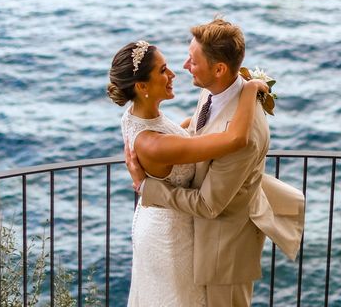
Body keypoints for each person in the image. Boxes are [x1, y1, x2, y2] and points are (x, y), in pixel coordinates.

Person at [126, 18, 305, 307]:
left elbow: (209, 205)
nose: (185, 66)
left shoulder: (243, 135)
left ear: (219, 69)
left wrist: (146, 187)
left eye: (193, 61)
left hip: (224, 249)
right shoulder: (213, 90)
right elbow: (199, 134)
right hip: (192, 237)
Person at [107, 39, 269, 307]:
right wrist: (250, 89)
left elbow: (182, 134)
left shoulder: (136, 116)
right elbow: (236, 139)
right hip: (169, 236)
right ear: (141, 86)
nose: (173, 73)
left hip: (161, 222)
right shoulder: (154, 144)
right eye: (163, 70)